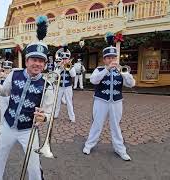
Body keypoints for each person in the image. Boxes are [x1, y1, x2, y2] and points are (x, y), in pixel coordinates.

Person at [0, 15, 55, 180]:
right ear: (27, 61)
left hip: (28, 131)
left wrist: (43, 117)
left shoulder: (47, 86)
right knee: (0, 156)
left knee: (34, 167)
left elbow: (49, 114)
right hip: (8, 125)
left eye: (41, 61)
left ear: (44, 65)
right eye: (34, 60)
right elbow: (5, 92)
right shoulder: (14, 74)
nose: (37, 64)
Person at [83, 33, 136, 161]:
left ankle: (120, 149)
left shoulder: (122, 70)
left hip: (117, 102)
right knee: (97, 124)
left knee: (116, 126)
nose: (111, 60)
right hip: (101, 101)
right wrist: (106, 69)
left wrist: (125, 74)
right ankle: (89, 145)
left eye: (113, 57)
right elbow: (94, 81)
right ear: (104, 59)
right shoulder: (99, 69)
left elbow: (131, 84)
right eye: (109, 58)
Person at [54, 45, 76, 122]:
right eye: (63, 59)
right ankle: (55, 115)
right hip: (59, 87)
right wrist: (60, 67)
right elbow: (55, 75)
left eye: (66, 59)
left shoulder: (71, 66)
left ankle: (72, 118)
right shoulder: (58, 66)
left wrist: (67, 65)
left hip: (68, 87)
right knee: (57, 102)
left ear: (68, 59)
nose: (64, 60)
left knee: (69, 102)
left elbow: (73, 75)